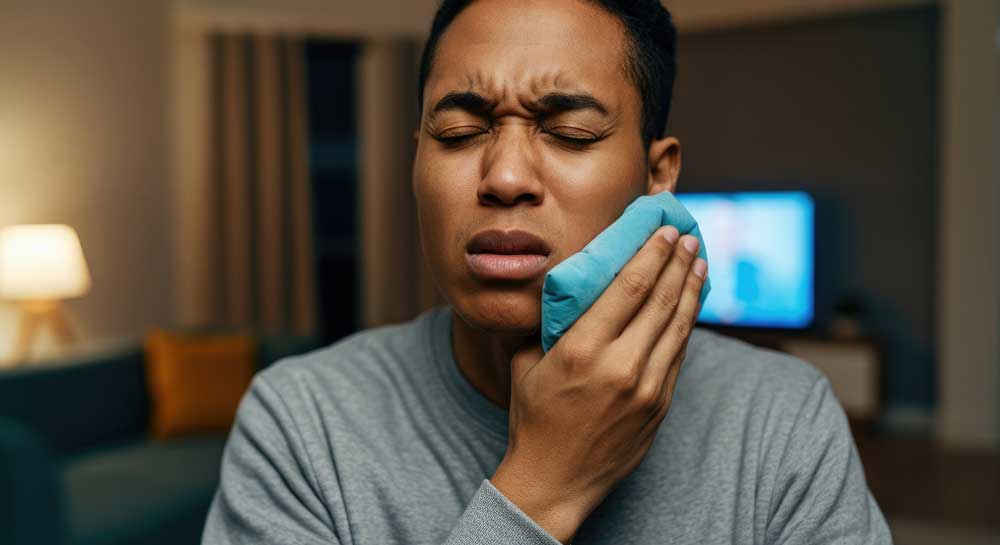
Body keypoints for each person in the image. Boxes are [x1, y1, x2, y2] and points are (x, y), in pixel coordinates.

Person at [201, 0, 893, 543]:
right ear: (415, 163)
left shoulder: (781, 419)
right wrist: (544, 485)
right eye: (459, 133)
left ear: (658, 177)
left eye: (569, 133)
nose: (504, 177)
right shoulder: (301, 424)